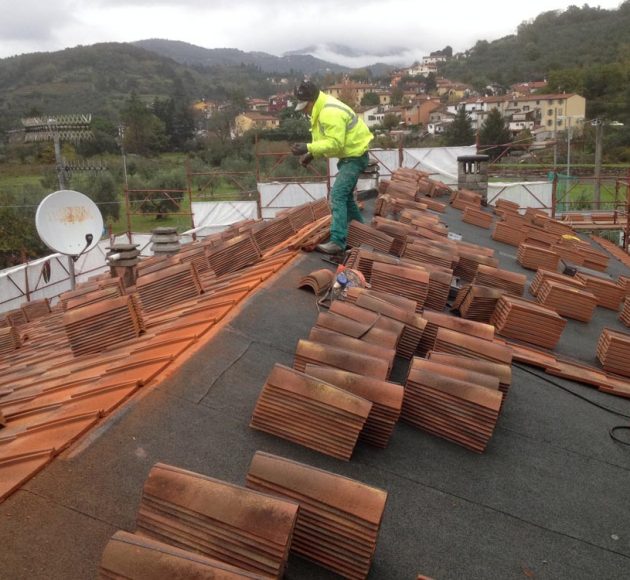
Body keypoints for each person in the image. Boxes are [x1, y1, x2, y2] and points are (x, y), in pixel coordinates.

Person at [290, 80, 373, 255]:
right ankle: (363, 234)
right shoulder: (321, 108)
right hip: (351, 156)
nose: (305, 110)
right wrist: (311, 155)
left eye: (305, 106)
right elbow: (326, 140)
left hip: (355, 157)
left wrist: (308, 148)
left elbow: (335, 143)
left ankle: (337, 241)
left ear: (312, 101)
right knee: (347, 198)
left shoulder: (329, 112)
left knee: (337, 195)